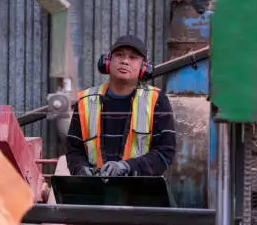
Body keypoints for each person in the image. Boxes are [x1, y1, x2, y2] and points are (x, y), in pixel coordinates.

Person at [66, 35, 176, 177]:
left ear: (144, 67)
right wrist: (80, 169)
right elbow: (74, 151)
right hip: (95, 192)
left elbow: (165, 152)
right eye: (119, 55)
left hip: (140, 192)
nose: (125, 61)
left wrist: (128, 167)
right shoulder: (85, 101)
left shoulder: (157, 100)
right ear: (107, 61)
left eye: (132, 57)